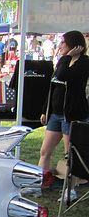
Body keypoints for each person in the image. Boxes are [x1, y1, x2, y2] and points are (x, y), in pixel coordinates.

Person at [36, 30, 89, 200]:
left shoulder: (84, 63)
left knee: (70, 154)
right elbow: (53, 86)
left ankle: (70, 190)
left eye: (63, 43)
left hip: (72, 114)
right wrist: (46, 109)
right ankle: (39, 184)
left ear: (74, 45)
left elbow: (64, 76)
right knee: (45, 150)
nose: (60, 46)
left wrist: (66, 58)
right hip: (56, 114)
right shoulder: (62, 61)